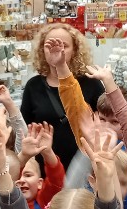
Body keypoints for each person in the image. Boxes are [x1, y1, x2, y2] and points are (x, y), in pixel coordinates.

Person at [20, 23, 104, 174]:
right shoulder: (33, 86)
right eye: (49, 45)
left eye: (63, 45)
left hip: (84, 166)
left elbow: (105, 122)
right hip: (46, 169)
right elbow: (25, 128)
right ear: (42, 50)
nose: (56, 50)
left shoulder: (91, 83)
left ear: (75, 50)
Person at [15, 122, 64, 209]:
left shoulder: (44, 201)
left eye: (28, 175)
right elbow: (9, 177)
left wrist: (48, 152)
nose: (22, 180)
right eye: (19, 176)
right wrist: (24, 156)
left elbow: (56, 179)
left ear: (40, 183)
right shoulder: (5, 202)